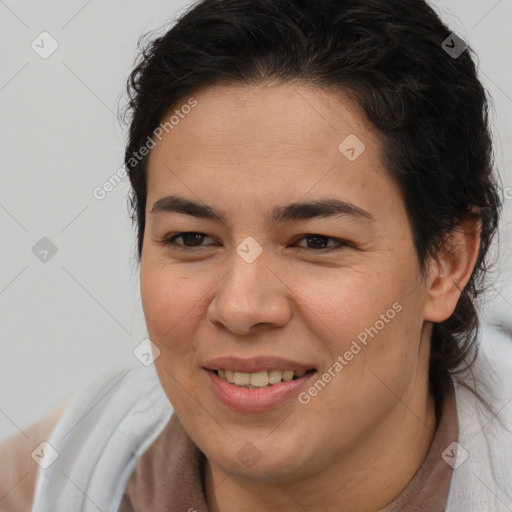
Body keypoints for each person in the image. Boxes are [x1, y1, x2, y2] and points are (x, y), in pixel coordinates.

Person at [1, 0, 511, 510]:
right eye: (192, 239)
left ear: (446, 264)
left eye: (317, 241)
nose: (241, 308)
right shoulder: (66, 466)